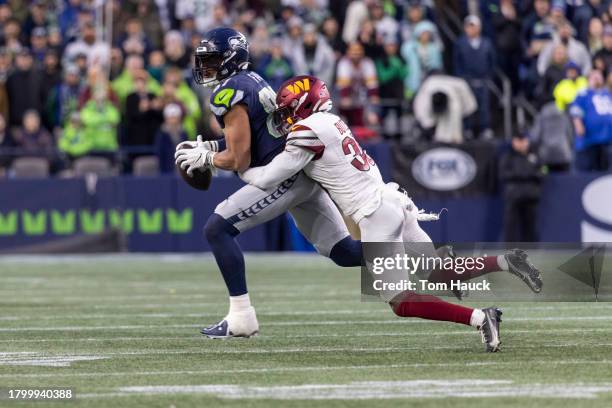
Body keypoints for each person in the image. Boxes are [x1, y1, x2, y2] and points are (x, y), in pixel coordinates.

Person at [239, 75, 543, 352]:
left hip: (375, 215)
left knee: (400, 301)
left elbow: (266, 178)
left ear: (304, 106)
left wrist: (224, 162)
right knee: (437, 272)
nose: (286, 117)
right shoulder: (332, 122)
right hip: (393, 202)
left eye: (290, 109)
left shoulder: (308, 130)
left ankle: (481, 317)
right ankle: (506, 260)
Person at [174, 28, 362, 339]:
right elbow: (250, 136)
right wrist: (210, 147)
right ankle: (425, 259)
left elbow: (239, 158)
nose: (205, 67)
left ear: (231, 59)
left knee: (217, 229)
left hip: (281, 175)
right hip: (298, 171)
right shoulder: (253, 80)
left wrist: (208, 159)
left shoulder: (227, 92)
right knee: (345, 253)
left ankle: (241, 317)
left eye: (212, 60)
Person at [453, 15, 496, 139]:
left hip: (483, 80)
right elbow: (457, 62)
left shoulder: (486, 43)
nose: (471, 29)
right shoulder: (460, 43)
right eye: (468, 26)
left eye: (474, 26)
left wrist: (489, 76)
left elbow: (492, 61)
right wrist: (461, 78)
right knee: (467, 106)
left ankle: (485, 128)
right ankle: (467, 128)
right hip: (466, 80)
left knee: (484, 106)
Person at [499, 133, 543, 242]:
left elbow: (543, 171)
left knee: (530, 225)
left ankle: (531, 250)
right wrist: (527, 174)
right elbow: (503, 174)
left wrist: (525, 174)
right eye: (518, 140)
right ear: (513, 142)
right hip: (514, 196)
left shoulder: (535, 155)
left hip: (530, 196)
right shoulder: (507, 156)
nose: (521, 143)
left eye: (523, 140)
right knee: (511, 225)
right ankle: (509, 251)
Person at [570, 69, 612, 171]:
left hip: (608, 139)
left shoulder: (608, 94)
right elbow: (575, 111)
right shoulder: (584, 94)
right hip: (590, 140)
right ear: (588, 80)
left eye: (599, 76)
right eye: (594, 76)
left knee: (606, 170)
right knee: (590, 170)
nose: (597, 78)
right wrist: (578, 125)